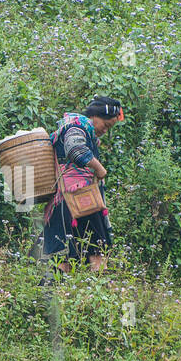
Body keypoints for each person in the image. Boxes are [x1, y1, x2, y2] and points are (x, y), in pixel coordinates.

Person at [42, 96, 124, 273]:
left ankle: (45, 299)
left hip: (65, 203)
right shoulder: (77, 125)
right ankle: (100, 296)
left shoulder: (81, 130)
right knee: (98, 254)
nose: (105, 130)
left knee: (66, 260)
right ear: (96, 115)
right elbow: (76, 150)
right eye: (106, 125)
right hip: (79, 199)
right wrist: (99, 169)